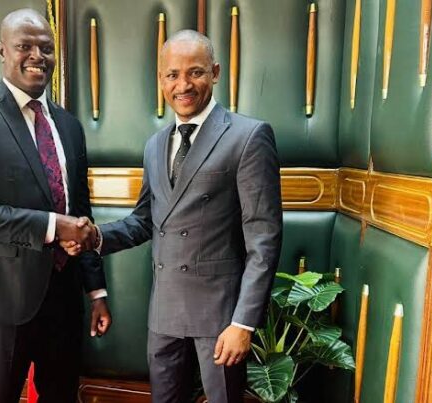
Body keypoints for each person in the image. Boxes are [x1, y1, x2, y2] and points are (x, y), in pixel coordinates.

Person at [63, 30, 282, 403]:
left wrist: (243, 323)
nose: (183, 85)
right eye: (172, 75)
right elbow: (144, 220)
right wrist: (94, 238)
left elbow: (264, 239)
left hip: (221, 316)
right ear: (161, 80)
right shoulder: (155, 145)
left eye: (195, 72)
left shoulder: (248, 136)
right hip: (164, 312)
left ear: (215, 72)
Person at [0, 8, 111, 403]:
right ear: (3, 50)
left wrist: (96, 291)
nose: (37, 56)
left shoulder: (69, 125)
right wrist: (52, 226)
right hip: (3, 300)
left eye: (46, 48)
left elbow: (81, 213)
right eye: (25, 46)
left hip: (64, 298)